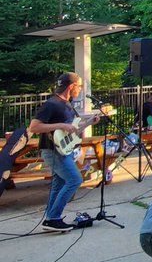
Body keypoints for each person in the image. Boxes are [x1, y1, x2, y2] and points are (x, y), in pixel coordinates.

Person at [28, 72, 104, 232]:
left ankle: (50, 219)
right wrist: (61, 125)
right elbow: (34, 127)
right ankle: (54, 217)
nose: (81, 89)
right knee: (75, 180)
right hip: (53, 150)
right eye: (80, 86)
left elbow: (72, 132)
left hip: (63, 149)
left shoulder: (67, 105)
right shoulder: (52, 104)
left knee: (59, 183)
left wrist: (90, 122)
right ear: (72, 86)